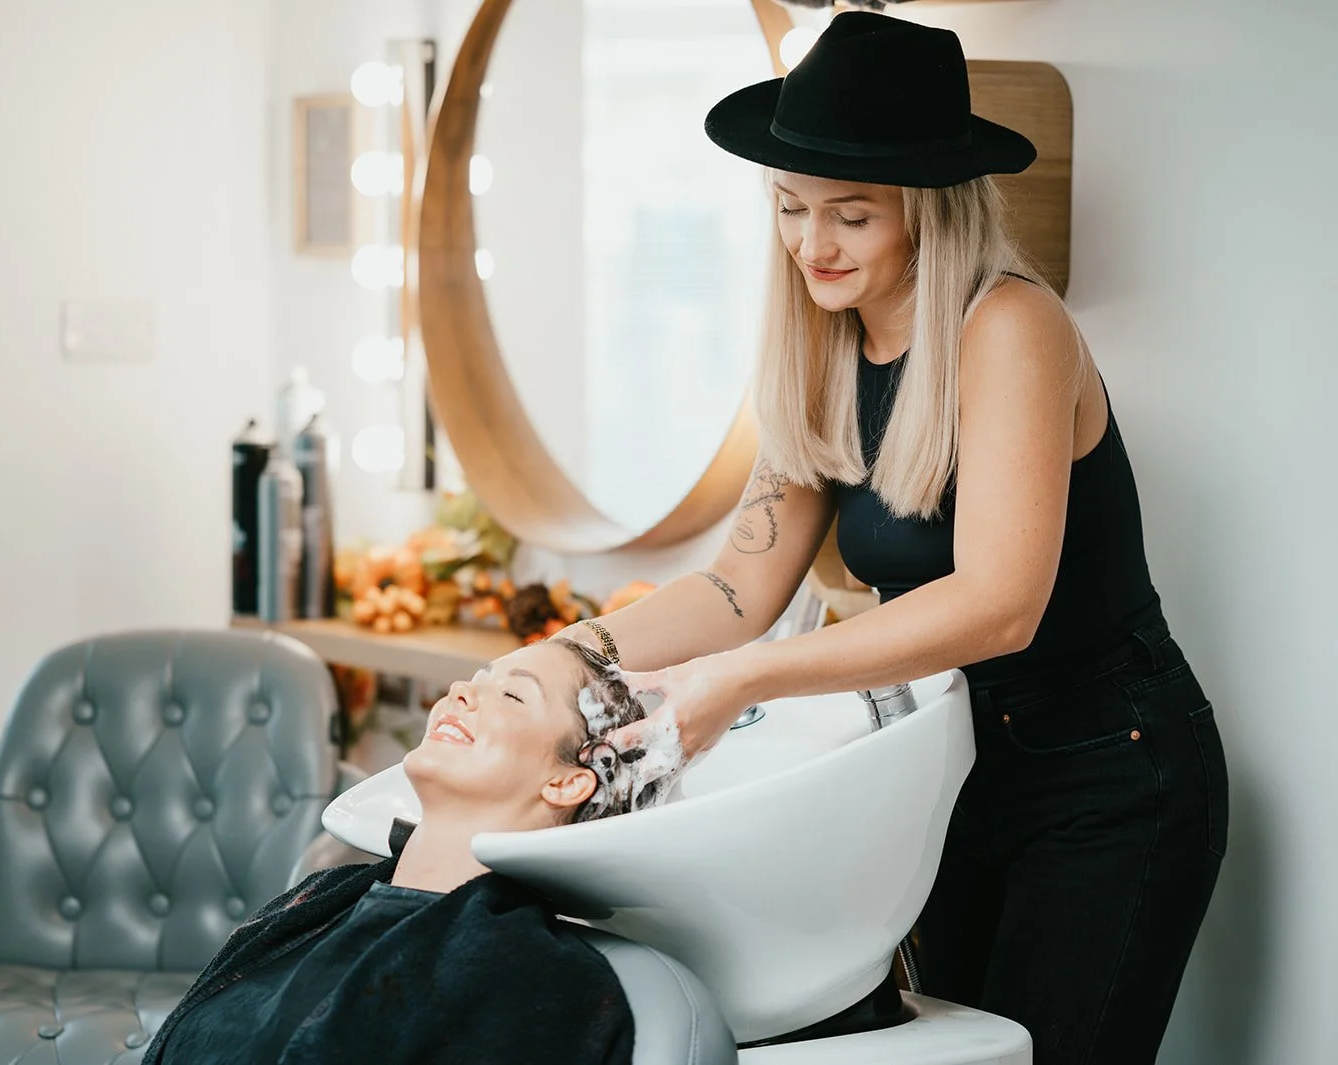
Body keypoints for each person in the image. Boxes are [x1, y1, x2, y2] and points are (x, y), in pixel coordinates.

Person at [556, 12, 1228, 1065]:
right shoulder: (819, 349)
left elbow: (996, 605)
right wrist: (564, 660)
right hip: (947, 767)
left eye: (851, 218)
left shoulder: (1008, 328)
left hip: (1107, 774)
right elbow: (738, 586)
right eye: (791, 209)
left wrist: (742, 682)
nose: (811, 245)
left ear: (927, 211)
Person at [141, 638, 673, 1065]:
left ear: (565, 783)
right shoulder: (322, 899)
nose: (460, 691)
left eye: (513, 696)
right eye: (475, 680)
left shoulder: (540, 984)